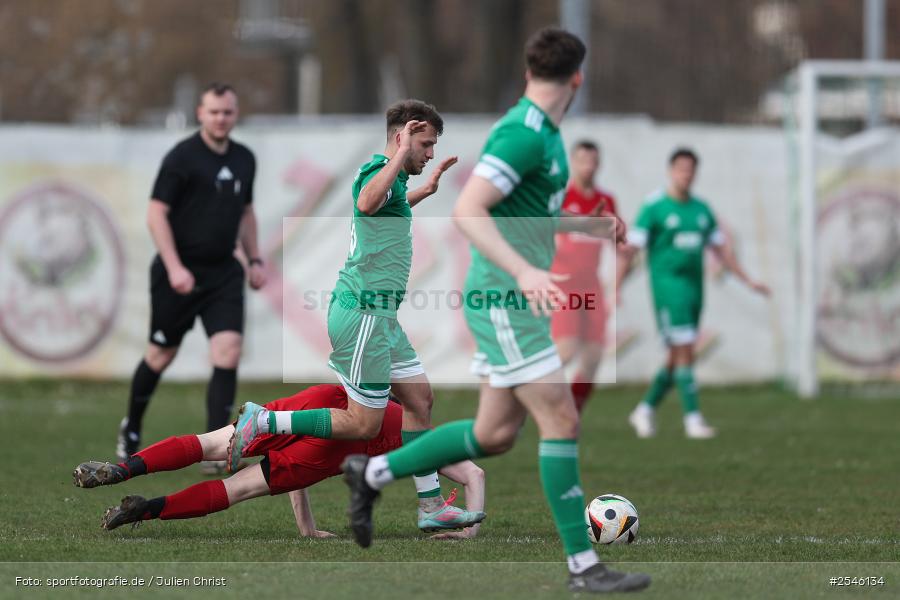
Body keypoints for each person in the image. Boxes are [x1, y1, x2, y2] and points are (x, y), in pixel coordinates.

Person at [339, 28, 651, 594]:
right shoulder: (523, 134)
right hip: (504, 298)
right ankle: (586, 568)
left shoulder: (548, 137)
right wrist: (527, 271)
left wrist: (592, 226)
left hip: (514, 299)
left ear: (532, 72)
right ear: (577, 78)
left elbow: (521, 216)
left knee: (495, 433)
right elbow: (471, 211)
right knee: (561, 419)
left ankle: (373, 472)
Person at [228, 99, 480, 532]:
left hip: (383, 318)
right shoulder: (375, 171)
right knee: (364, 422)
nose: (431, 153)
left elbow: (387, 207)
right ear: (402, 138)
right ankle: (266, 420)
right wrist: (400, 155)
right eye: (426, 143)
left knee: (420, 400)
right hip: (362, 314)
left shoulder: (396, 183)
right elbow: (366, 202)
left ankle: (431, 504)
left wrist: (425, 189)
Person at [73, 384, 485, 538]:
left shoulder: (380, 399)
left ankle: (124, 469)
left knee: (210, 444)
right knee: (237, 489)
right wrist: (468, 529)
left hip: (326, 404)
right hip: (332, 453)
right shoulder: (422, 436)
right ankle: (146, 512)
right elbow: (474, 473)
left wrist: (306, 526)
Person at [118, 83, 266, 475]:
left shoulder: (244, 158)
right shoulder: (182, 157)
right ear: (200, 113)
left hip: (223, 273)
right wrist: (174, 266)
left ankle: (218, 445)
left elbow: (246, 212)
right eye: (214, 112)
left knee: (228, 351)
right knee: (160, 355)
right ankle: (131, 428)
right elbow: (155, 214)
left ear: (236, 114)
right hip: (178, 272)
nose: (221, 119)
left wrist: (254, 259)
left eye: (228, 112)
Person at [616, 148, 770, 439]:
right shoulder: (655, 207)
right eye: (681, 169)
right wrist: (615, 287)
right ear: (670, 171)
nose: (686, 175)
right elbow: (631, 251)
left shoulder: (701, 210)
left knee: (677, 357)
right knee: (685, 351)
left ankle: (645, 410)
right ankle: (693, 419)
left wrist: (749, 281)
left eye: (690, 170)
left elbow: (722, 252)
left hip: (695, 290)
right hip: (667, 289)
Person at [550, 140, 622, 412]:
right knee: (566, 350)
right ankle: (531, 396)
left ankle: (572, 413)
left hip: (591, 287)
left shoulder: (606, 201)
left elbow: (619, 242)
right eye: (582, 160)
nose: (588, 166)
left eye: (592, 161)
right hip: (564, 284)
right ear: (573, 163)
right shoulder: (560, 199)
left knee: (593, 357)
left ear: (599, 164)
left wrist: (618, 285)